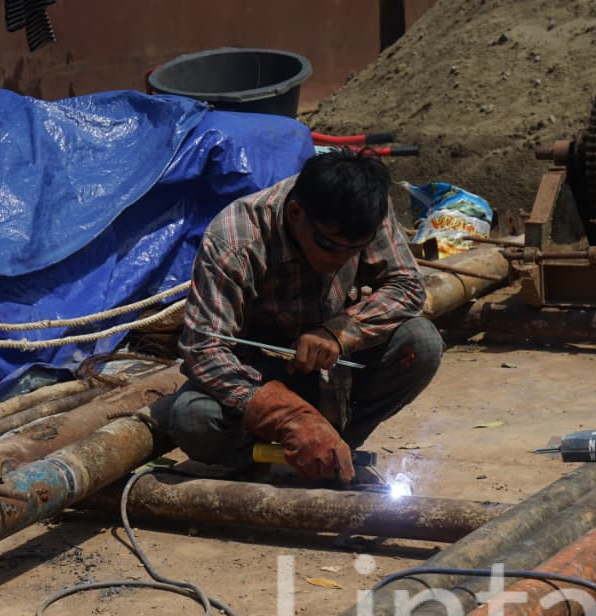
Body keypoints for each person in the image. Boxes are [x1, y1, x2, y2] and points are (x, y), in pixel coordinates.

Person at [154, 148, 443, 485]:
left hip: (333, 370)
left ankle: (335, 452)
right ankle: (263, 463)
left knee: (420, 343)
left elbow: (407, 286)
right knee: (195, 418)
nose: (341, 260)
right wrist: (292, 418)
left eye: (354, 250)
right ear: (295, 214)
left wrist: (339, 332)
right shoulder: (234, 239)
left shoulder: (365, 210)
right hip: (256, 372)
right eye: (330, 246)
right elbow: (203, 349)